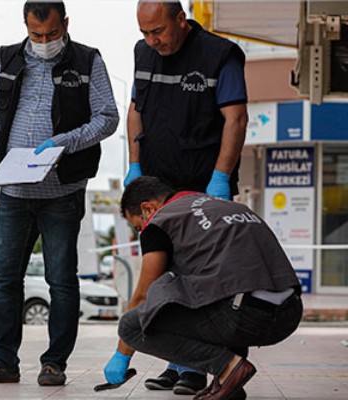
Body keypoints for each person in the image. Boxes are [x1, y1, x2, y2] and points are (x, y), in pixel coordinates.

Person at [0, 0, 119, 387]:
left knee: (61, 279)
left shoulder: (87, 61)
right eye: (36, 34)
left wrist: (64, 142)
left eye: (51, 34)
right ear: (26, 26)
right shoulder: (9, 59)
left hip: (62, 190)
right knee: (5, 278)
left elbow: (108, 117)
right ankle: (3, 361)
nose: (44, 41)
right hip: (14, 187)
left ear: (65, 23)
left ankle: (54, 364)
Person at [122, 0, 249, 393]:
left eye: (158, 31)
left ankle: (200, 368)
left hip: (202, 183)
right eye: (144, 32)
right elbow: (135, 111)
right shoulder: (144, 53)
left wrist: (220, 177)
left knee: (204, 278)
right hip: (158, 186)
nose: (151, 40)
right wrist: (135, 165)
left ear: (181, 19)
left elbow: (236, 118)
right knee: (165, 277)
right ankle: (178, 364)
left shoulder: (218, 55)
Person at [103, 177, 302, 400]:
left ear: (148, 209)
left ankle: (227, 367)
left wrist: (122, 355)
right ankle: (227, 381)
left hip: (245, 317)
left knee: (132, 325)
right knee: (210, 293)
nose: (142, 231)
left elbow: (142, 295)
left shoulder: (160, 222)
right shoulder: (230, 207)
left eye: (138, 226)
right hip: (289, 314)